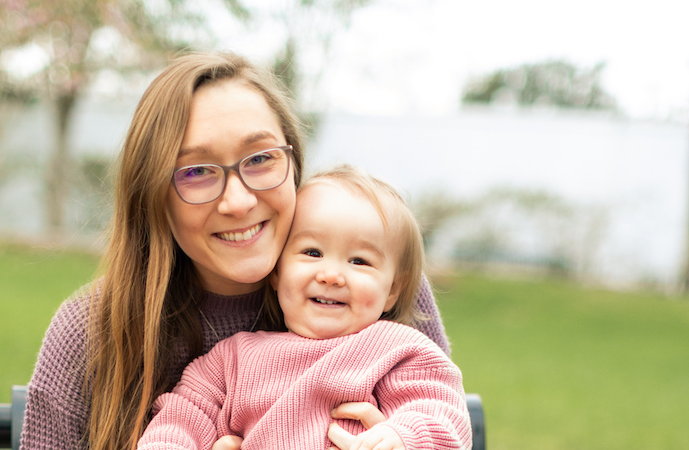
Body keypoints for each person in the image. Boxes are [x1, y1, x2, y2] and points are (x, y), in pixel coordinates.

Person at [19, 52, 451, 450]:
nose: (239, 201)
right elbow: (182, 421)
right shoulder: (91, 332)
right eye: (197, 171)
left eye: (260, 158)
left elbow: (438, 411)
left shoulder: (373, 289)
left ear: (293, 164)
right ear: (153, 194)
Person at [137, 165, 472, 450]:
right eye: (312, 252)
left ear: (392, 290)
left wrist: (403, 436)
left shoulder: (397, 350)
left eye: (360, 261)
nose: (331, 275)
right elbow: (182, 418)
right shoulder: (232, 360)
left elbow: (440, 407)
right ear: (277, 272)